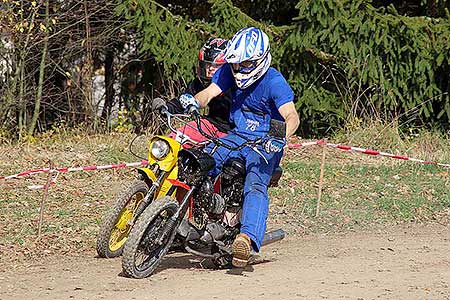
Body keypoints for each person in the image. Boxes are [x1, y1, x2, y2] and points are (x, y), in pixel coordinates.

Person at [179, 27, 300, 268]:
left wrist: (280, 137)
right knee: (198, 161)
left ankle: (246, 238)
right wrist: (193, 101)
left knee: (255, 183)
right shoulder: (229, 72)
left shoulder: (274, 81)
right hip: (236, 135)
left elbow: (292, 117)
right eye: (235, 64)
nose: (238, 69)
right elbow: (209, 93)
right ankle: (189, 218)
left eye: (244, 64)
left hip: (266, 142)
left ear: (259, 60)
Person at [164, 37, 233, 146]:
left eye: (217, 65)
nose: (210, 69)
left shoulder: (238, 85)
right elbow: (184, 100)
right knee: (172, 142)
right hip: (210, 125)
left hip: (235, 134)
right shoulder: (200, 83)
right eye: (207, 64)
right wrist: (166, 107)